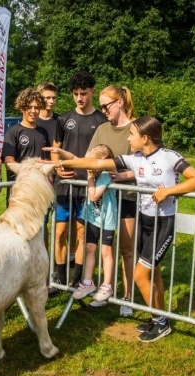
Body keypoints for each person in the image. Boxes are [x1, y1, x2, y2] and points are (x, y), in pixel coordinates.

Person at [44, 116, 195, 342]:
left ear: (145, 137)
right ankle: (156, 316)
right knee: (154, 276)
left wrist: (169, 191)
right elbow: (96, 164)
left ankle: (161, 323)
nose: (128, 139)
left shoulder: (169, 157)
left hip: (163, 224)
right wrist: (59, 164)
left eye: (132, 135)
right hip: (145, 222)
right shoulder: (134, 159)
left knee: (141, 275)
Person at [51, 71, 107, 288]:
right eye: (75, 94)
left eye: (83, 93)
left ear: (92, 92)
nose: (79, 98)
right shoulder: (64, 119)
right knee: (60, 233)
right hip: (65, 187)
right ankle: (59, 278)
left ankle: (78, 280)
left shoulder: (101, 121)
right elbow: (56, 149)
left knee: (83, 232)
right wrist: (58, 169)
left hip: (88, 186)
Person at [88, 85, 136, 314]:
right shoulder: (101, 129)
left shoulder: (137, 128)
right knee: (104, 247)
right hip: (103, 201)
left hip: (127, 198)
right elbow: (90, 159)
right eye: (101, 106)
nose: (103, 110)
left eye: (106, 105)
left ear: (120, 102)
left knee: (126, 249)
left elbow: (153, 164)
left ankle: (127, 297)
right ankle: (106, 288)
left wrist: (128, 175)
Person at [55, 145, 118, 302]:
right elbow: (75, 158)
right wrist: (59, 152)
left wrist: (89, 177)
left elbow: (94, 196)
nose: (88, 165)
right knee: (90, 248)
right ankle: (87, 282)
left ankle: (107, 285)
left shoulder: (104, 174)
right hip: (93, 218)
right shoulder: (95, 171)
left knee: (105, 252)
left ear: (102, 160)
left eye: (91, 162)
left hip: (107, 220)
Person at [1, 87, 50, 195]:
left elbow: (47, 159)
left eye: (36, 107)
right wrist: (28, 172)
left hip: (40, 189)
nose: (33, 111)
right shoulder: (12, 132)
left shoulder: (43, 132)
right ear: (22, 108)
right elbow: (8, 161)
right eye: (29, 107)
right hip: (20, 189)